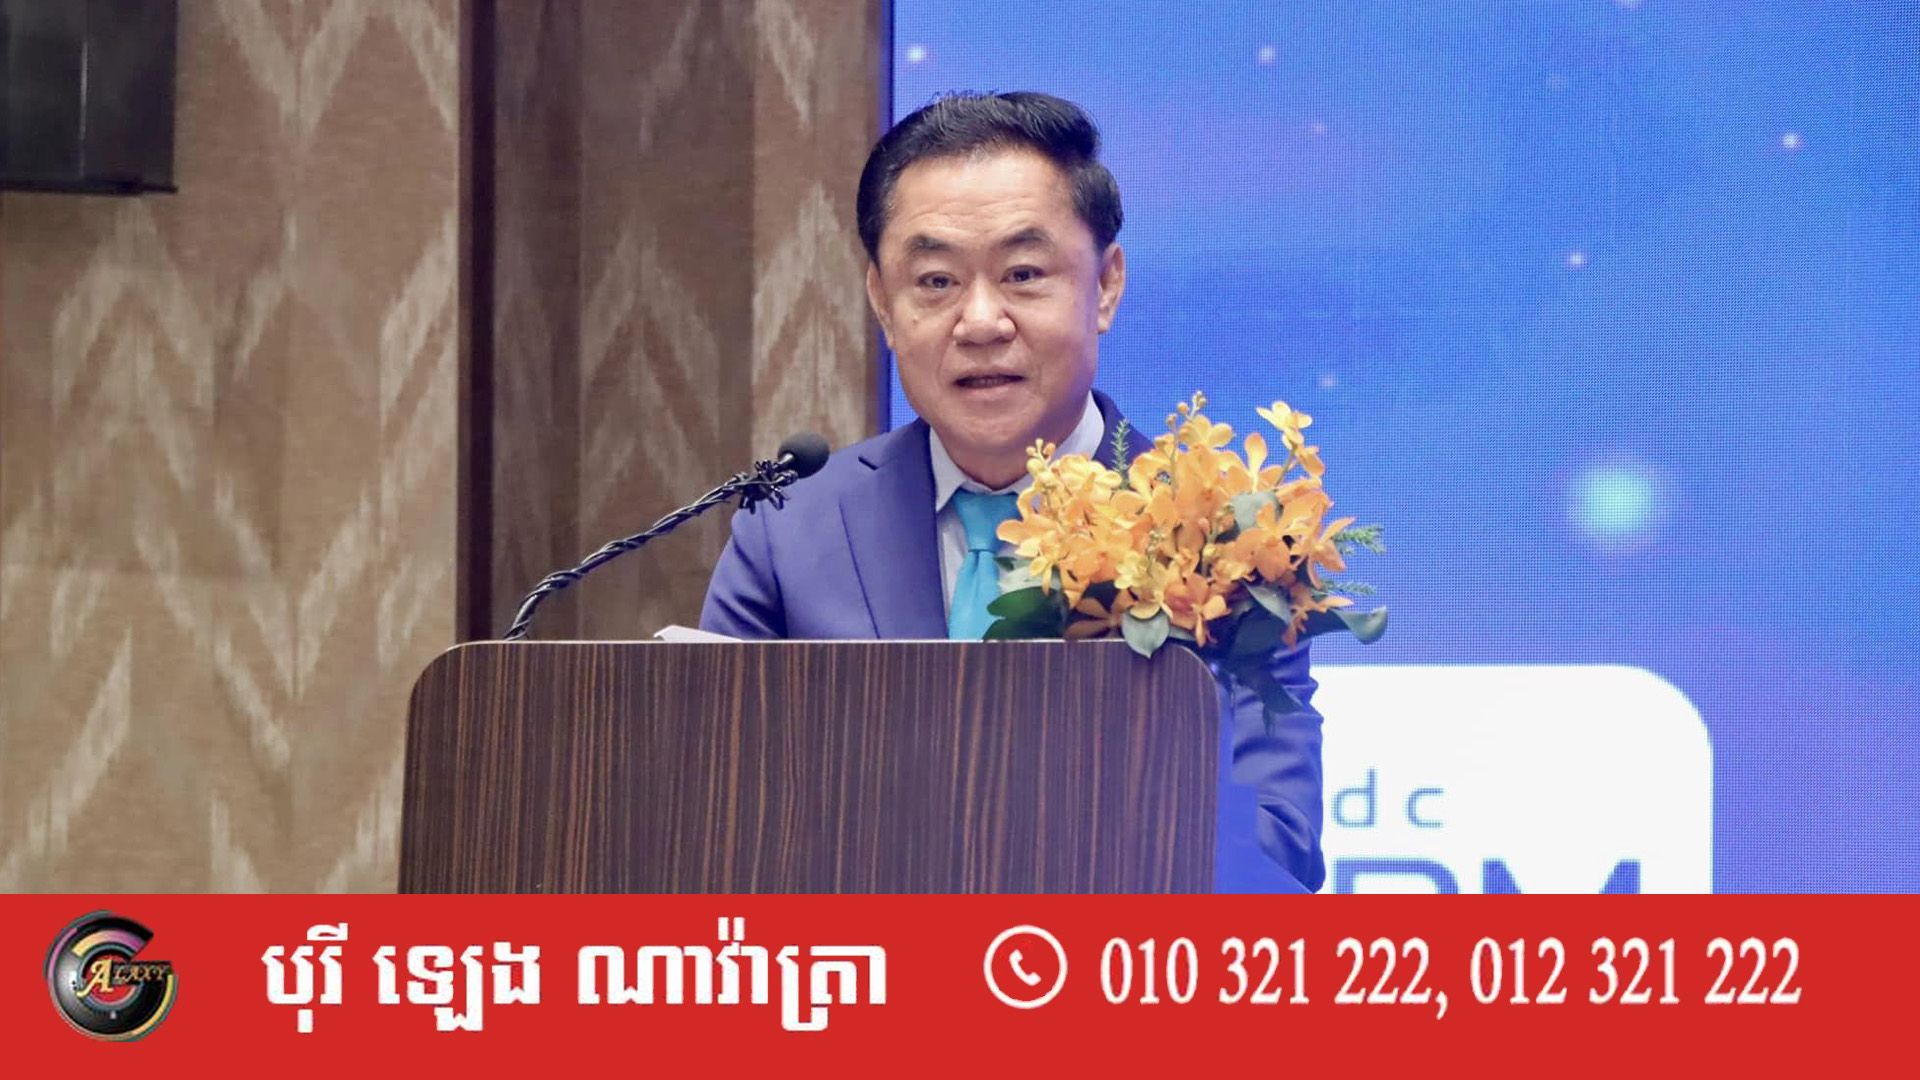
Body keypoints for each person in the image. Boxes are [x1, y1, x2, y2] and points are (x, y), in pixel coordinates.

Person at [700, 91, 1325, 892]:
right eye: (935, 281)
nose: (980, 321)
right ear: (883, 304)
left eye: (1023, 275)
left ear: (1105, 286)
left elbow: (1278, 866)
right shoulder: (791, 533)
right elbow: (714, 825)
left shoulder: (1228, 542)